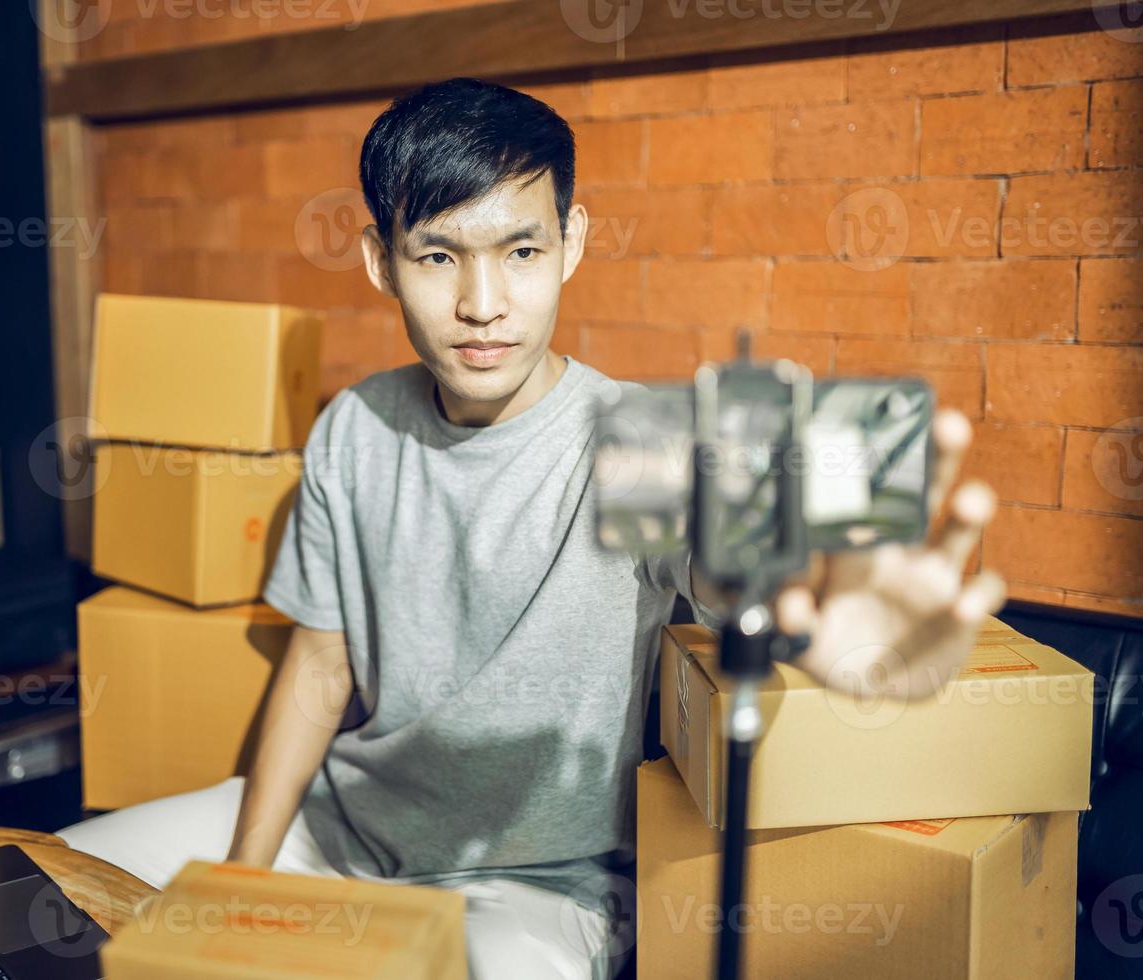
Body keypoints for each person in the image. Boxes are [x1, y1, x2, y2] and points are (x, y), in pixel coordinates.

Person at [59, 77, 1005, 980]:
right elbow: (319, 667)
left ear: (571, 241)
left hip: (533, 891)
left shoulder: (634, 440)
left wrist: (817, 607)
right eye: (437, 256)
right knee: (43, 890)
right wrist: (243, 879)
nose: (483, 304)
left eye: (521, 251)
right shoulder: (356, 423)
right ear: (378, 259)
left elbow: (733, 569)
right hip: (336, 826)